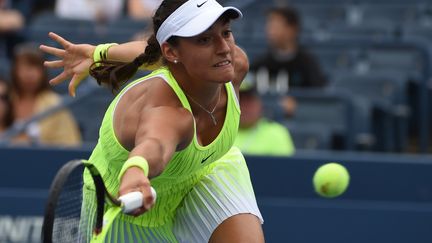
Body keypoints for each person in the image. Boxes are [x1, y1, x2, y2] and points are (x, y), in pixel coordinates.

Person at [40, 0, 264, 242]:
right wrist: (136, 170)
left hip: (202, 172)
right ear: (172, 52)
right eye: (204, 39)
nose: (224, 48)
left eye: (226, 32)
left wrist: (100, 53)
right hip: (128, 208)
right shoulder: (167, 109)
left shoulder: (233, 64)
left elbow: (152, 53)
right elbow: (155, 142)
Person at [10, 43, 82, 146]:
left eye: (34, 67)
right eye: (24, 67)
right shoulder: (5, 99)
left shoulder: (54, 103)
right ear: (15, 70)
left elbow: (70, 143)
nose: (29, 74)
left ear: (43, 71)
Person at [250, 6, 327, 89]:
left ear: (292, 29)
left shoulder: (307, 63)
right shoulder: (261, 63)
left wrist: (298, 101)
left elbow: (319, 94)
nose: (269, 30)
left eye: (275, 25)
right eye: (268, 24)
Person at [234, 81, 295, 156]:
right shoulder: (221, 132)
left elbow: (286, 166)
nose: (245, 107)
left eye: (250, 100)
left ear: (259, 104)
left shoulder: (278, 133)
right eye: (241, 100)